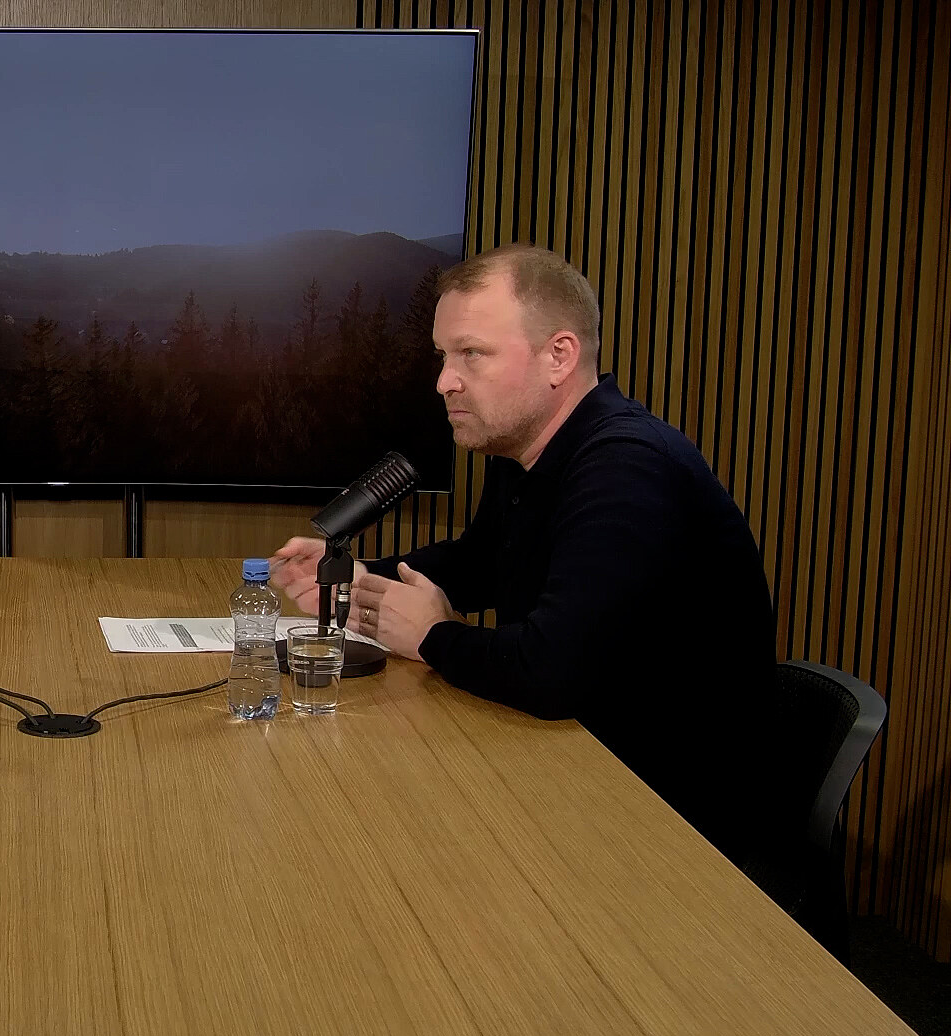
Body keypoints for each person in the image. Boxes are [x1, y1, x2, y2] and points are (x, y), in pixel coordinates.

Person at [274, 243, 781, 863]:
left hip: (674, 833)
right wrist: (352, 575)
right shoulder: (526, 451)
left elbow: (552, 672)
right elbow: (481, 563)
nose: (444, 381)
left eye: (472, 353)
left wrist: (433, 637)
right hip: (578, 779)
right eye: (443, 356)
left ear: (559, 356)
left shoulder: (627, 467)